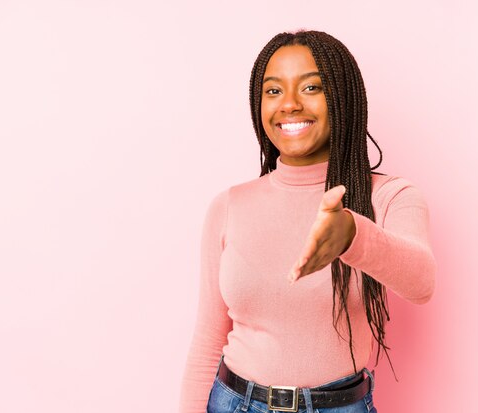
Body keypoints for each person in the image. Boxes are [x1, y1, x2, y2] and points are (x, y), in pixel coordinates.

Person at [179, 30, 437, 413]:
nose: (290, 104)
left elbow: (421, 282)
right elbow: (207, 341)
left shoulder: (389, 197)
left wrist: (352, 235)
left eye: (311, 87)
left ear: (342, 98)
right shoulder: (229, 206)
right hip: (234, 402)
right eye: (273, 91)